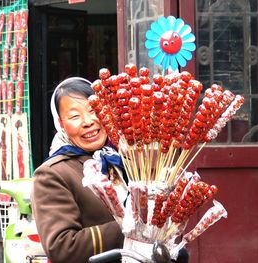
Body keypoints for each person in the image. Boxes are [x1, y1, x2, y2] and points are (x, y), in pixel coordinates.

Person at [32, 76, 189, 263]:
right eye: (75, 116)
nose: (88, 121)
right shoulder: (53, 174)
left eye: (93, 111)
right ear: (61, 124)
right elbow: (62, 247)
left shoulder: (126, 162)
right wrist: (130, 228)